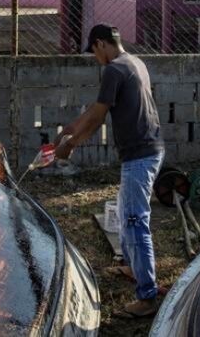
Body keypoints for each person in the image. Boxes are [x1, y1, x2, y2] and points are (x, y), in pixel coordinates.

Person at [54, 23, 164, 318]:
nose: (94, 58)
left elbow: (99, 118)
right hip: (149, 150)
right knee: (127, 211)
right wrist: (72, 127)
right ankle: (132, 265)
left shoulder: (114, 69)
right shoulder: (134, 62)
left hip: (140, 155)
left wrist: (71, 144)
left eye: (93, 51)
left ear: (101, 44)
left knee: (134, 221)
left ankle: (147, 296)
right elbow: (98, 107)